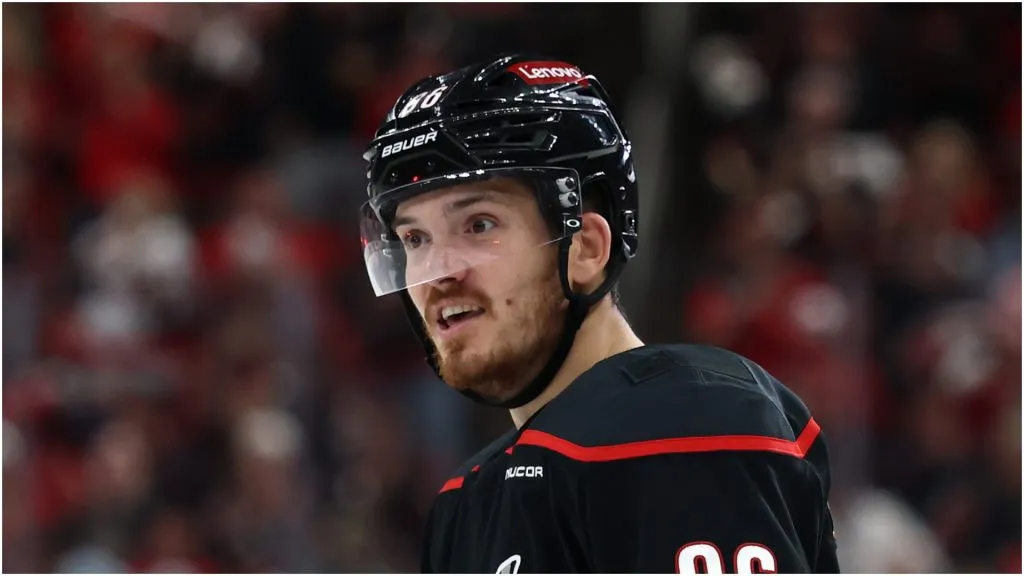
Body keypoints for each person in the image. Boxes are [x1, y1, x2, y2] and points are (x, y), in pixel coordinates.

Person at [358, 53, 840, 574]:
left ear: (586, 246)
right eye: (415, 238)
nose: (437, 271)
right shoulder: (466, 499)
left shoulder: (684, 422)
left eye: (478, 224)